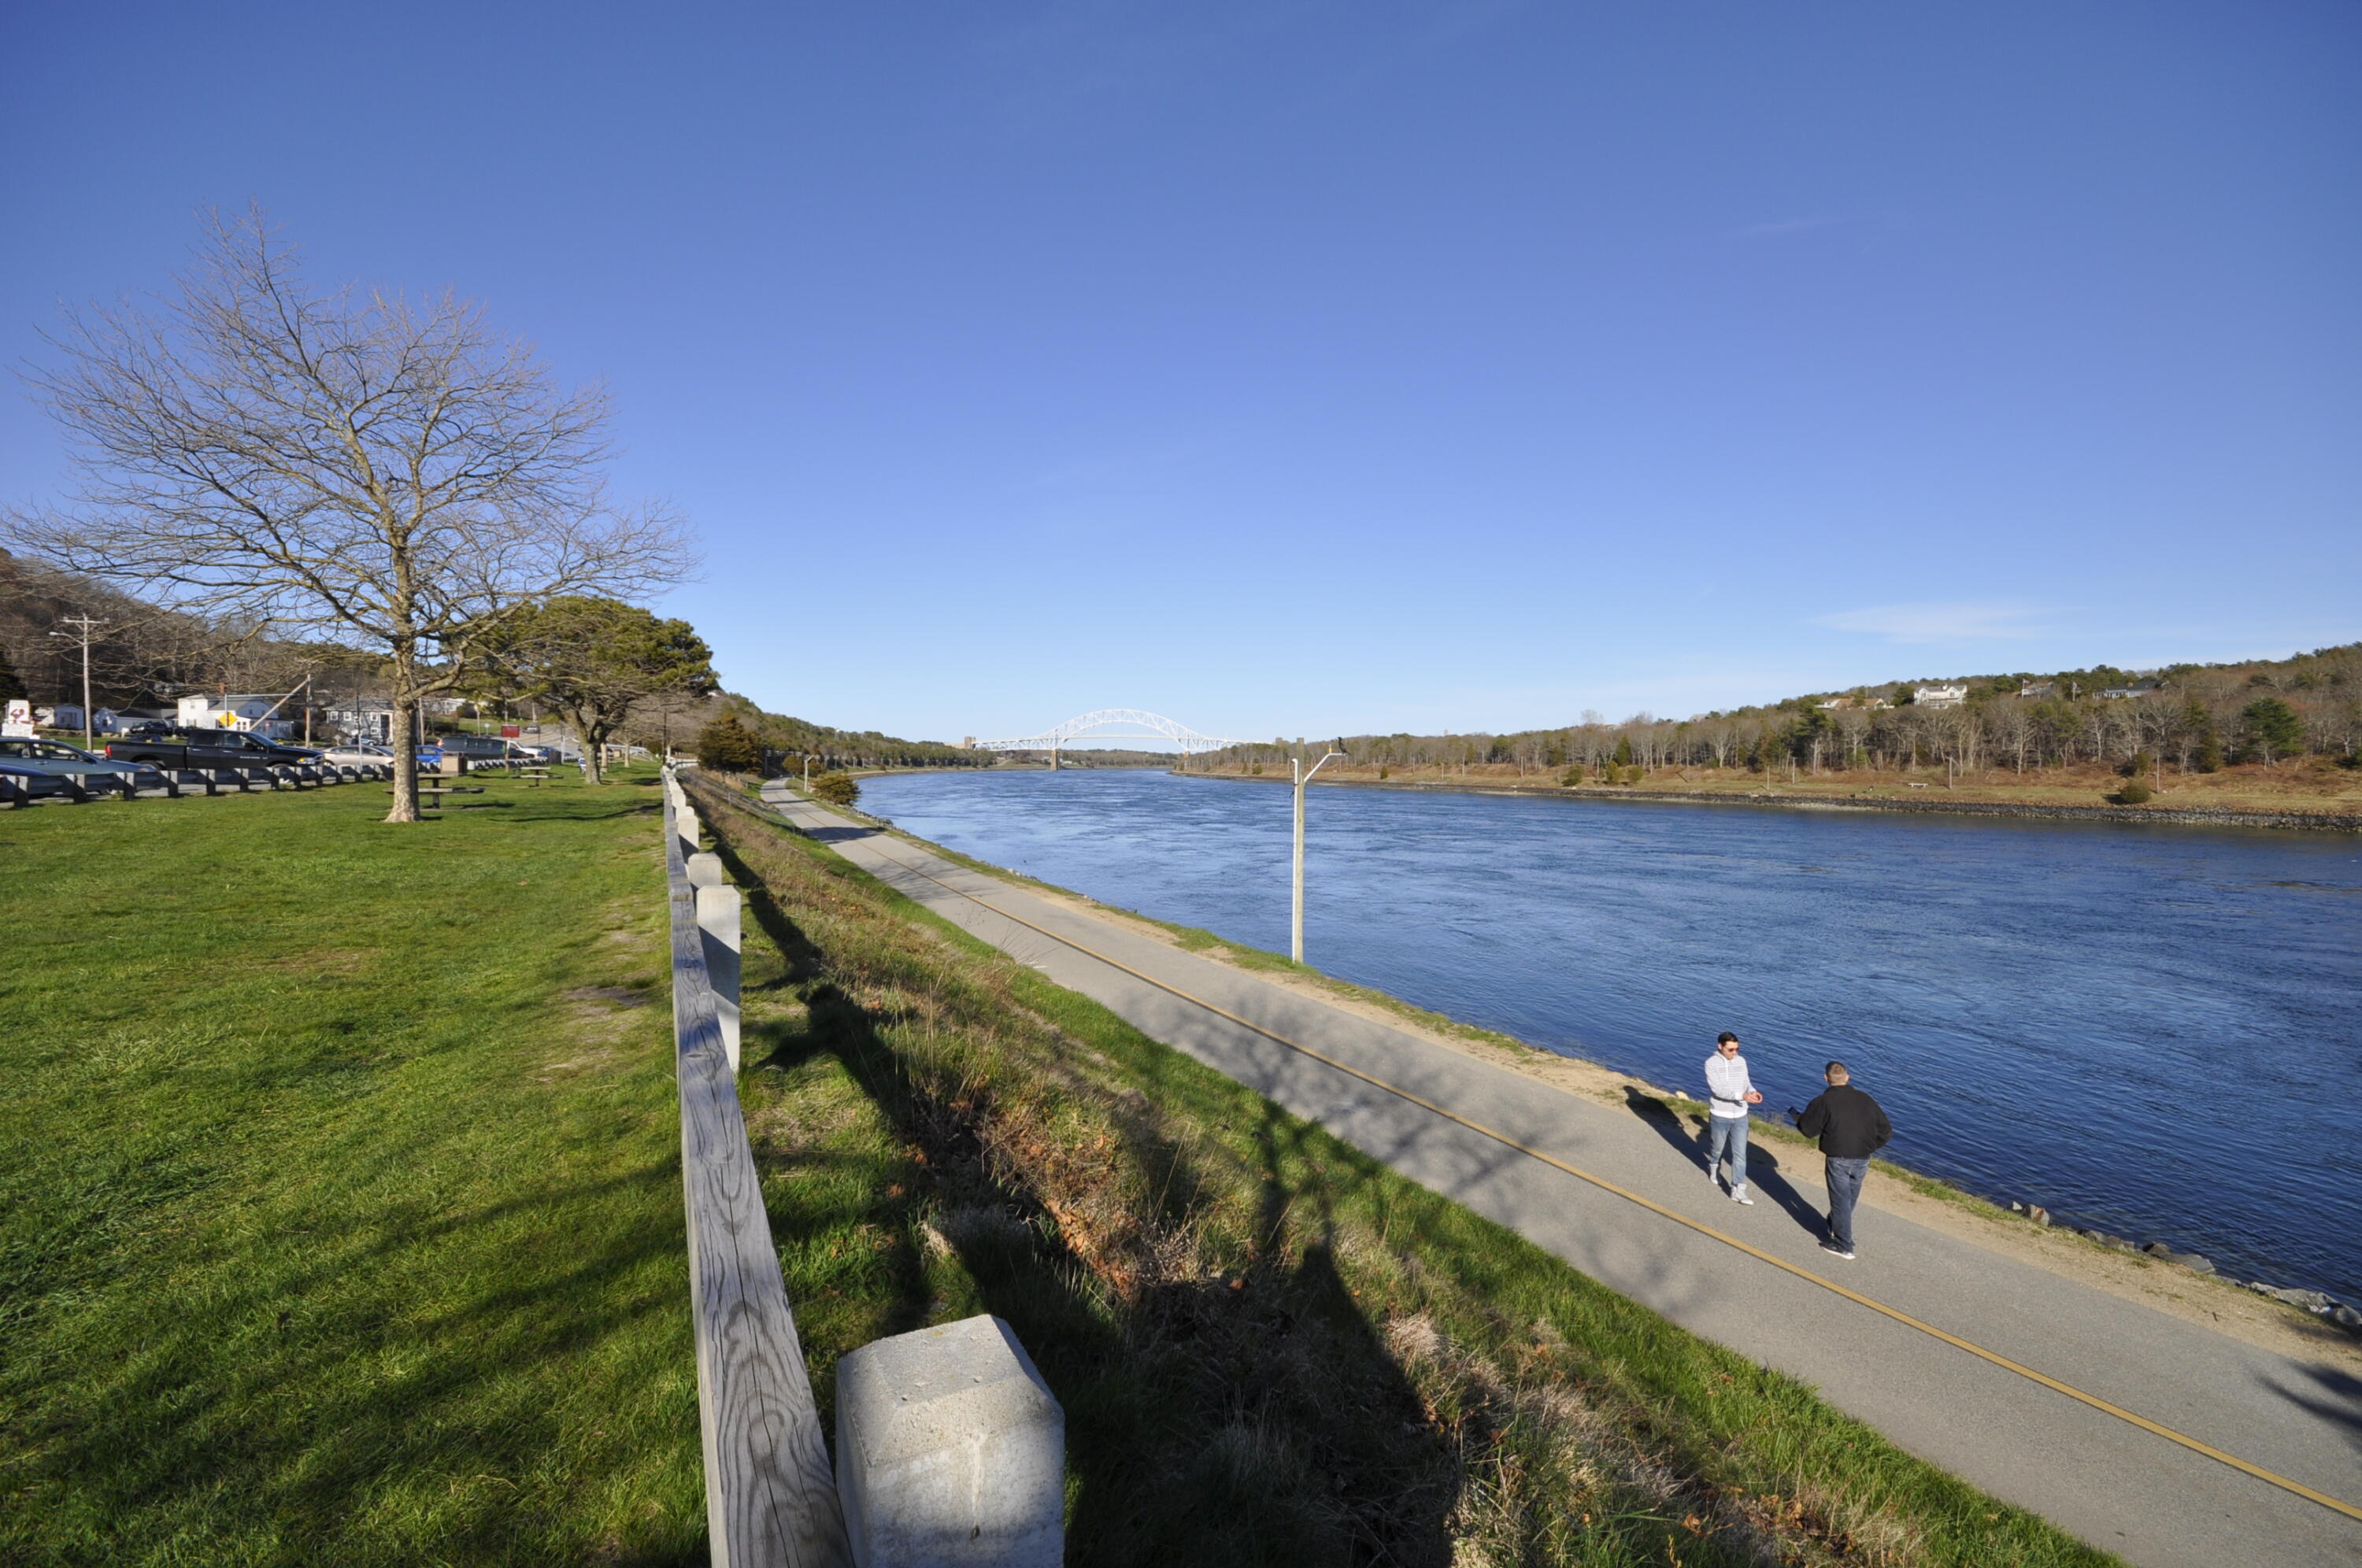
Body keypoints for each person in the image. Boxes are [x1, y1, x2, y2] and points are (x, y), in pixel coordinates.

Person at [1797, 1060, 1891, 1260]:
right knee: (1849, 1198)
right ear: (1847, 1077)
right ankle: (1835, 1225)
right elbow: (1886, 1131)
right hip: (1863, 1157)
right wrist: (1871, 1146)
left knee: (1840, 1200)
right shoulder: (1866, 1099)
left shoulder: (1823, 1102)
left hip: (1838, 1157)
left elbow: (1808, 1130)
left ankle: (1844, 1244)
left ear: (1826, 1078)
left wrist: (1800, 1120)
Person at [1702, 1030, 1763, 1204]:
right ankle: (1714, 1166)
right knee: (1717, 1149)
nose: (1734, 1053)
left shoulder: (1741, 1061)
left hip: (1741, 1116)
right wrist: (1741, 1096)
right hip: (1720, 1115)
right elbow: (1717, 1090)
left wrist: (1752, 1092)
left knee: (1740, 1154)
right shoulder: (1711, 1063)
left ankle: (1738, 1189)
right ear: (1720, 1047)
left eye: (1737, 1049)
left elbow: (1746, 1082)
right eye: (1730, 1050)